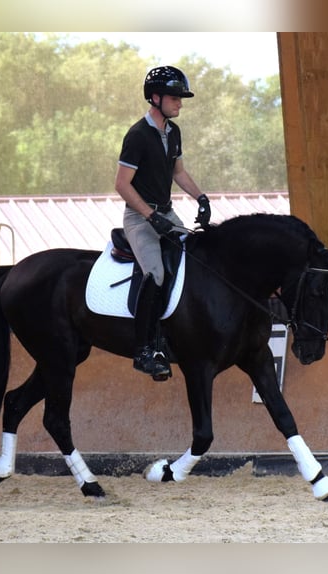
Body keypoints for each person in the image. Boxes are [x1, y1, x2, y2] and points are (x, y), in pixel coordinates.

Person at [114, 65, 211, 380]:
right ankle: (143, 349)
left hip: (166, 212)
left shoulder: (174, 132)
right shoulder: (138, 135)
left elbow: (178, 172)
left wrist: (201, 198)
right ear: (155, 98)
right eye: (174, 98)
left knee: (194, 260)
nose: (180, 103)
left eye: (180, 98)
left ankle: (176, 335)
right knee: (155, 272)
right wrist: (149, 215)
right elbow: (122, 185)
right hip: (140, 215)